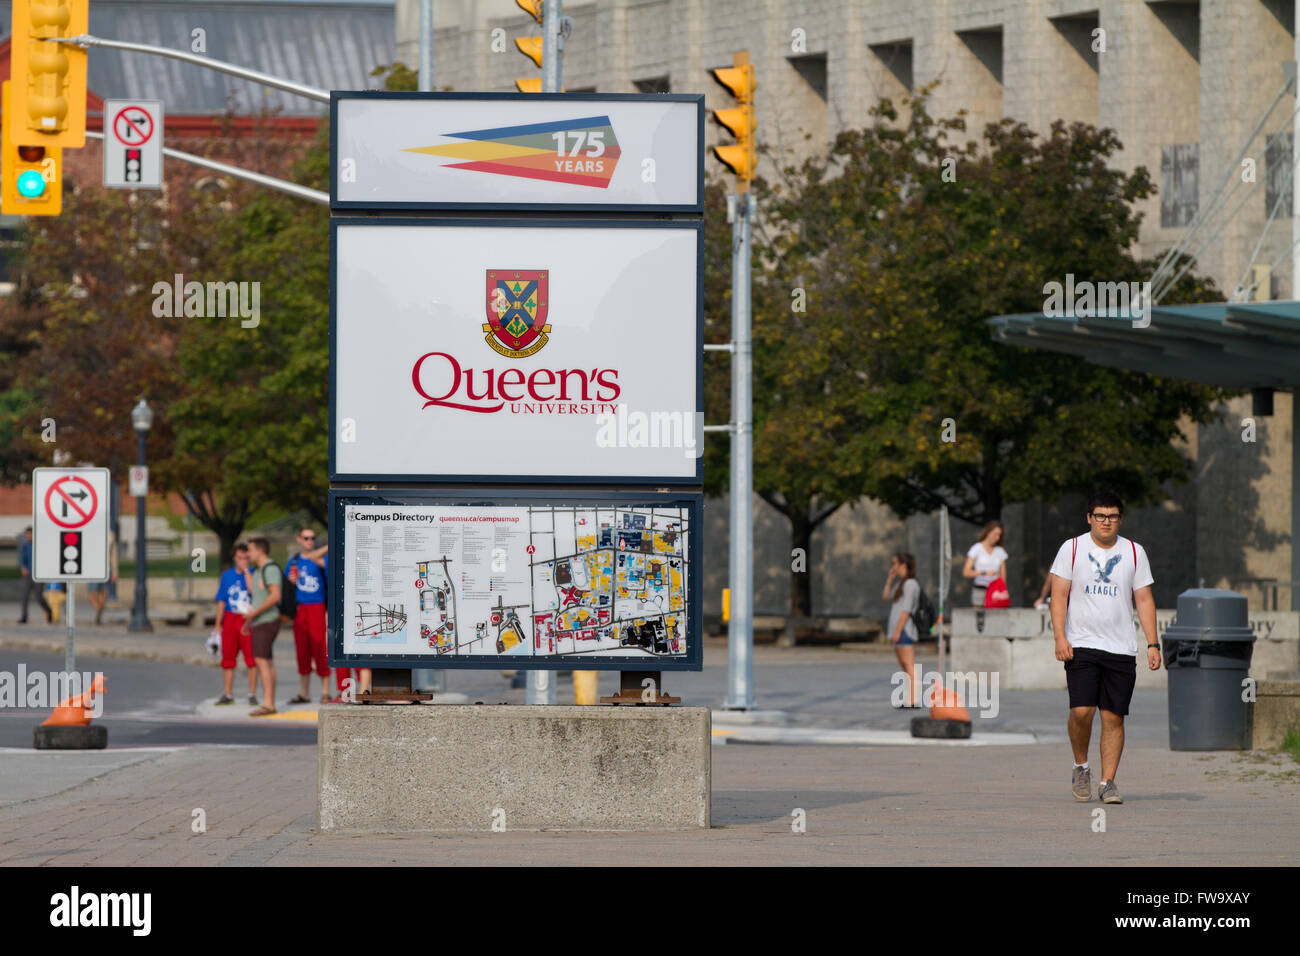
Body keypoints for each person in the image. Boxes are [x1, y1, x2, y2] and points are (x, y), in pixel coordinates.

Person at [1049, 492, 1160, 805]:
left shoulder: (1134, 552)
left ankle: (1108, 782)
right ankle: (1081, 766)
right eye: (1100, 516)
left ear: (1120, 519)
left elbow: (1144, 599)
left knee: (1113, 718)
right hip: (1082, 643)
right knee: (1081, 711)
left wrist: (1152, 642)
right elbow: (1058, 596)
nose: (1106, 521)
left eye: (1112, 516)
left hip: (1121, 647)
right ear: (1089, 518)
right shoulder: (1071, 549)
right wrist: (1060, 637)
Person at [286, 527, 332, 704]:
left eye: (312, 538)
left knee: (320, 648)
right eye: (306, 538)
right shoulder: (294, 560)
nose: (309, 541)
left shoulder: (320, 559)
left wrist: (328, 545)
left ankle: (325, 691)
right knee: (302, 650)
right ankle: (304, 692)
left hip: (316, 606)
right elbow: (286, 584)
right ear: (299, 539)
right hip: (300, 608)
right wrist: (290, 580)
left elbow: (316, 559)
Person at [214, 543, 259, 706]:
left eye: (246, 557)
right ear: (234, 558)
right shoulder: (227, 576)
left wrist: (247, 570)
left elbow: (253, 591)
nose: (243, 561)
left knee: (251, 658)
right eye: (239, 558)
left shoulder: (254, 573)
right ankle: (228, 693)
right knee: (228, 657)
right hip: (230, 618)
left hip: (246, 618)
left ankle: (252, 693)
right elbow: (221, 601)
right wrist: (218, 624)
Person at [243, 537, 283, 717]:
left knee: (262, 661)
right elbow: (255, 593)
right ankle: (269, 702)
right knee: (266, 661)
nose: (247, 554)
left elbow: (275, 596)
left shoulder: (270, 569)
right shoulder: (258, 570)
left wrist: (254, 614)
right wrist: (249, 620)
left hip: (267, 620)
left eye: (250, 550)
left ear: (260, 551)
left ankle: (268, 703)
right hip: (259, 620)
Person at [883, 552, 922, 708]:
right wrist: (890, 579)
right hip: (897, 630)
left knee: (909, 664)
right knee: (904, 665)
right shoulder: (901, 584)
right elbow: (886, 596)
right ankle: (909, 698)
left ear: (903, 565)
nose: (893, 567)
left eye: (895, 564)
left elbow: (906, 610)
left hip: (905, 629)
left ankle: (913, 699)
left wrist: (898, 631)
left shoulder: (911, 584)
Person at [963, 519, 1008, 606]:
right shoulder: (976, 548)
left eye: (999, 535)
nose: (997, 538)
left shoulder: (1000, 551)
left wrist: (1002, 590)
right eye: (995, 534)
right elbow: (966, 572)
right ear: (988, 532)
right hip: (980, 589)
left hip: (995, 591)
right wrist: (984, 573)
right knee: (979, 617)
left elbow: (1003, 575)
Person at [16, 527, 52, 624]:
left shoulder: (40, 545)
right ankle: (24, 617)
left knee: (38, 597)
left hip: (38, 576)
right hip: (27, 575)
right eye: (27, 534)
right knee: (24, 596)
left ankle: (49, 611)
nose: (29, 536)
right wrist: (23, 567)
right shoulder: (25, 546)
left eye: (30, 534)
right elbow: (22, 559)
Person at [86, 530, 119, 625]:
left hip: (103, 568)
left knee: (99, 592)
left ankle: (98, 610)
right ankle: (99, 609)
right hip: (94, 567)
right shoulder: (92, 532)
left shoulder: (110, 535)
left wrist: (115, 571)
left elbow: (113, 555)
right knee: (95, 593)